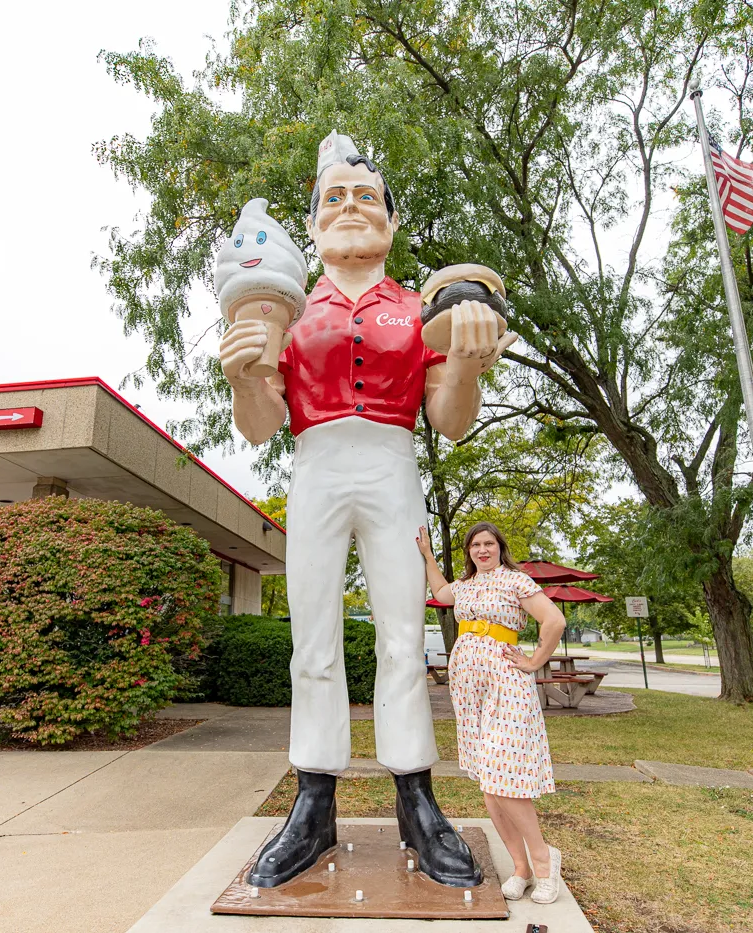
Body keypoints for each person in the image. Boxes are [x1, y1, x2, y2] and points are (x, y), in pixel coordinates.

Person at [218, 130, 516, 888]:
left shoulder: (422, 308)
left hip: (390, 461)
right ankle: (313, 800)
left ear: (389, 219)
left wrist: (469, 364)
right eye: (334, 198)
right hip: (315, 463)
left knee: (401, 634)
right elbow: (260, 423)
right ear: (314, 221)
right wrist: (243, 375)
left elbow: (449, 418)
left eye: (366, 197)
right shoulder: (283, 307)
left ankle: (415, 794)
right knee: (311, 635)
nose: (351, 208)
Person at [416, 521, 568, 904]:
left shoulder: (516, 581)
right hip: (469, 689)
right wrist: (429, 557)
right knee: (488, 781)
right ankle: (521, 867)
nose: (482, 550)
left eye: (489, 544)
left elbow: (554, 621)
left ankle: (544, 861)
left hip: (506, 684)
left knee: (505, 774)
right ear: (468, 552)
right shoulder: (465, 587)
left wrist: (535, 661)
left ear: (500, 547)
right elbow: (439, 590)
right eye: (475, 545)